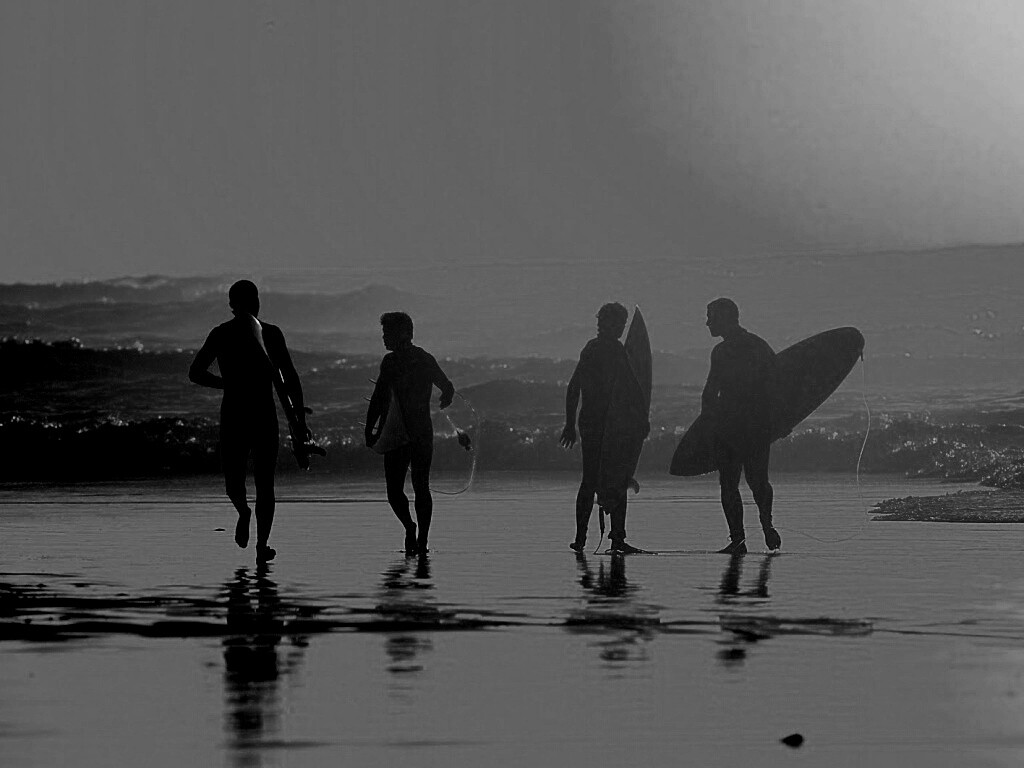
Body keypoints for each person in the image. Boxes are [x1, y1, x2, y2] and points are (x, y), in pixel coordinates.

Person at [189, 280, 306, 563]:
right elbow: (195, 372)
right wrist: (226, 383)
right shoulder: (221, 334)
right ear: (233, 305)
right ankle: (243, 512)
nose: (253, 304)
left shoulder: (272, 333)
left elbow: (290, 377)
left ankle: (262, 545)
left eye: (255, 299)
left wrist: (299, 420)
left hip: (264, 415)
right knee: (233, 483)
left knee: (265, 483)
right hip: (234, 415)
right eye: (248, 300)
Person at [365, 312, 454, 555]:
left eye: (388, 333)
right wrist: (369, 427)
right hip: (406, 431)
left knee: (415, 487)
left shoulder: (413, 360)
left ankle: (421, 539)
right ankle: (412, 529)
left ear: (403, 333)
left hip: (412, 433)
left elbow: (446, 386)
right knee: (400, 490)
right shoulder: (401, 361)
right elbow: (380, 396)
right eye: (384, 333)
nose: (384, 338)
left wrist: (370, 429)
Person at [560, 302, 645, 554]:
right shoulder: (611, 349)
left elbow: (573, 387)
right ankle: (616, 538)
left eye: (622, 324)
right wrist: (642, 418)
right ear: (604, 323)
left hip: (592, 423)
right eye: (616, 323)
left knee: (591, 479)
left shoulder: (591, 348)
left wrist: (570, 423)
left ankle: (581, 538)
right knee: (616, 479)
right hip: (608, 425)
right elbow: (632, 386)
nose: (620, 328)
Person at [701, 298, 781, 555]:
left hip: (733, 425)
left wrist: (707, 424)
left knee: (731, 484)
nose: (707, 323)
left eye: (711, 317)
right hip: (754, 425)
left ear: (725, 318)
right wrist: (778, 422)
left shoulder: (726, 351)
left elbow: (710, 392)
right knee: (757, 480)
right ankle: (765, 527)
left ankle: (739, 540)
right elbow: (777, 388)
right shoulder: (757, 345)